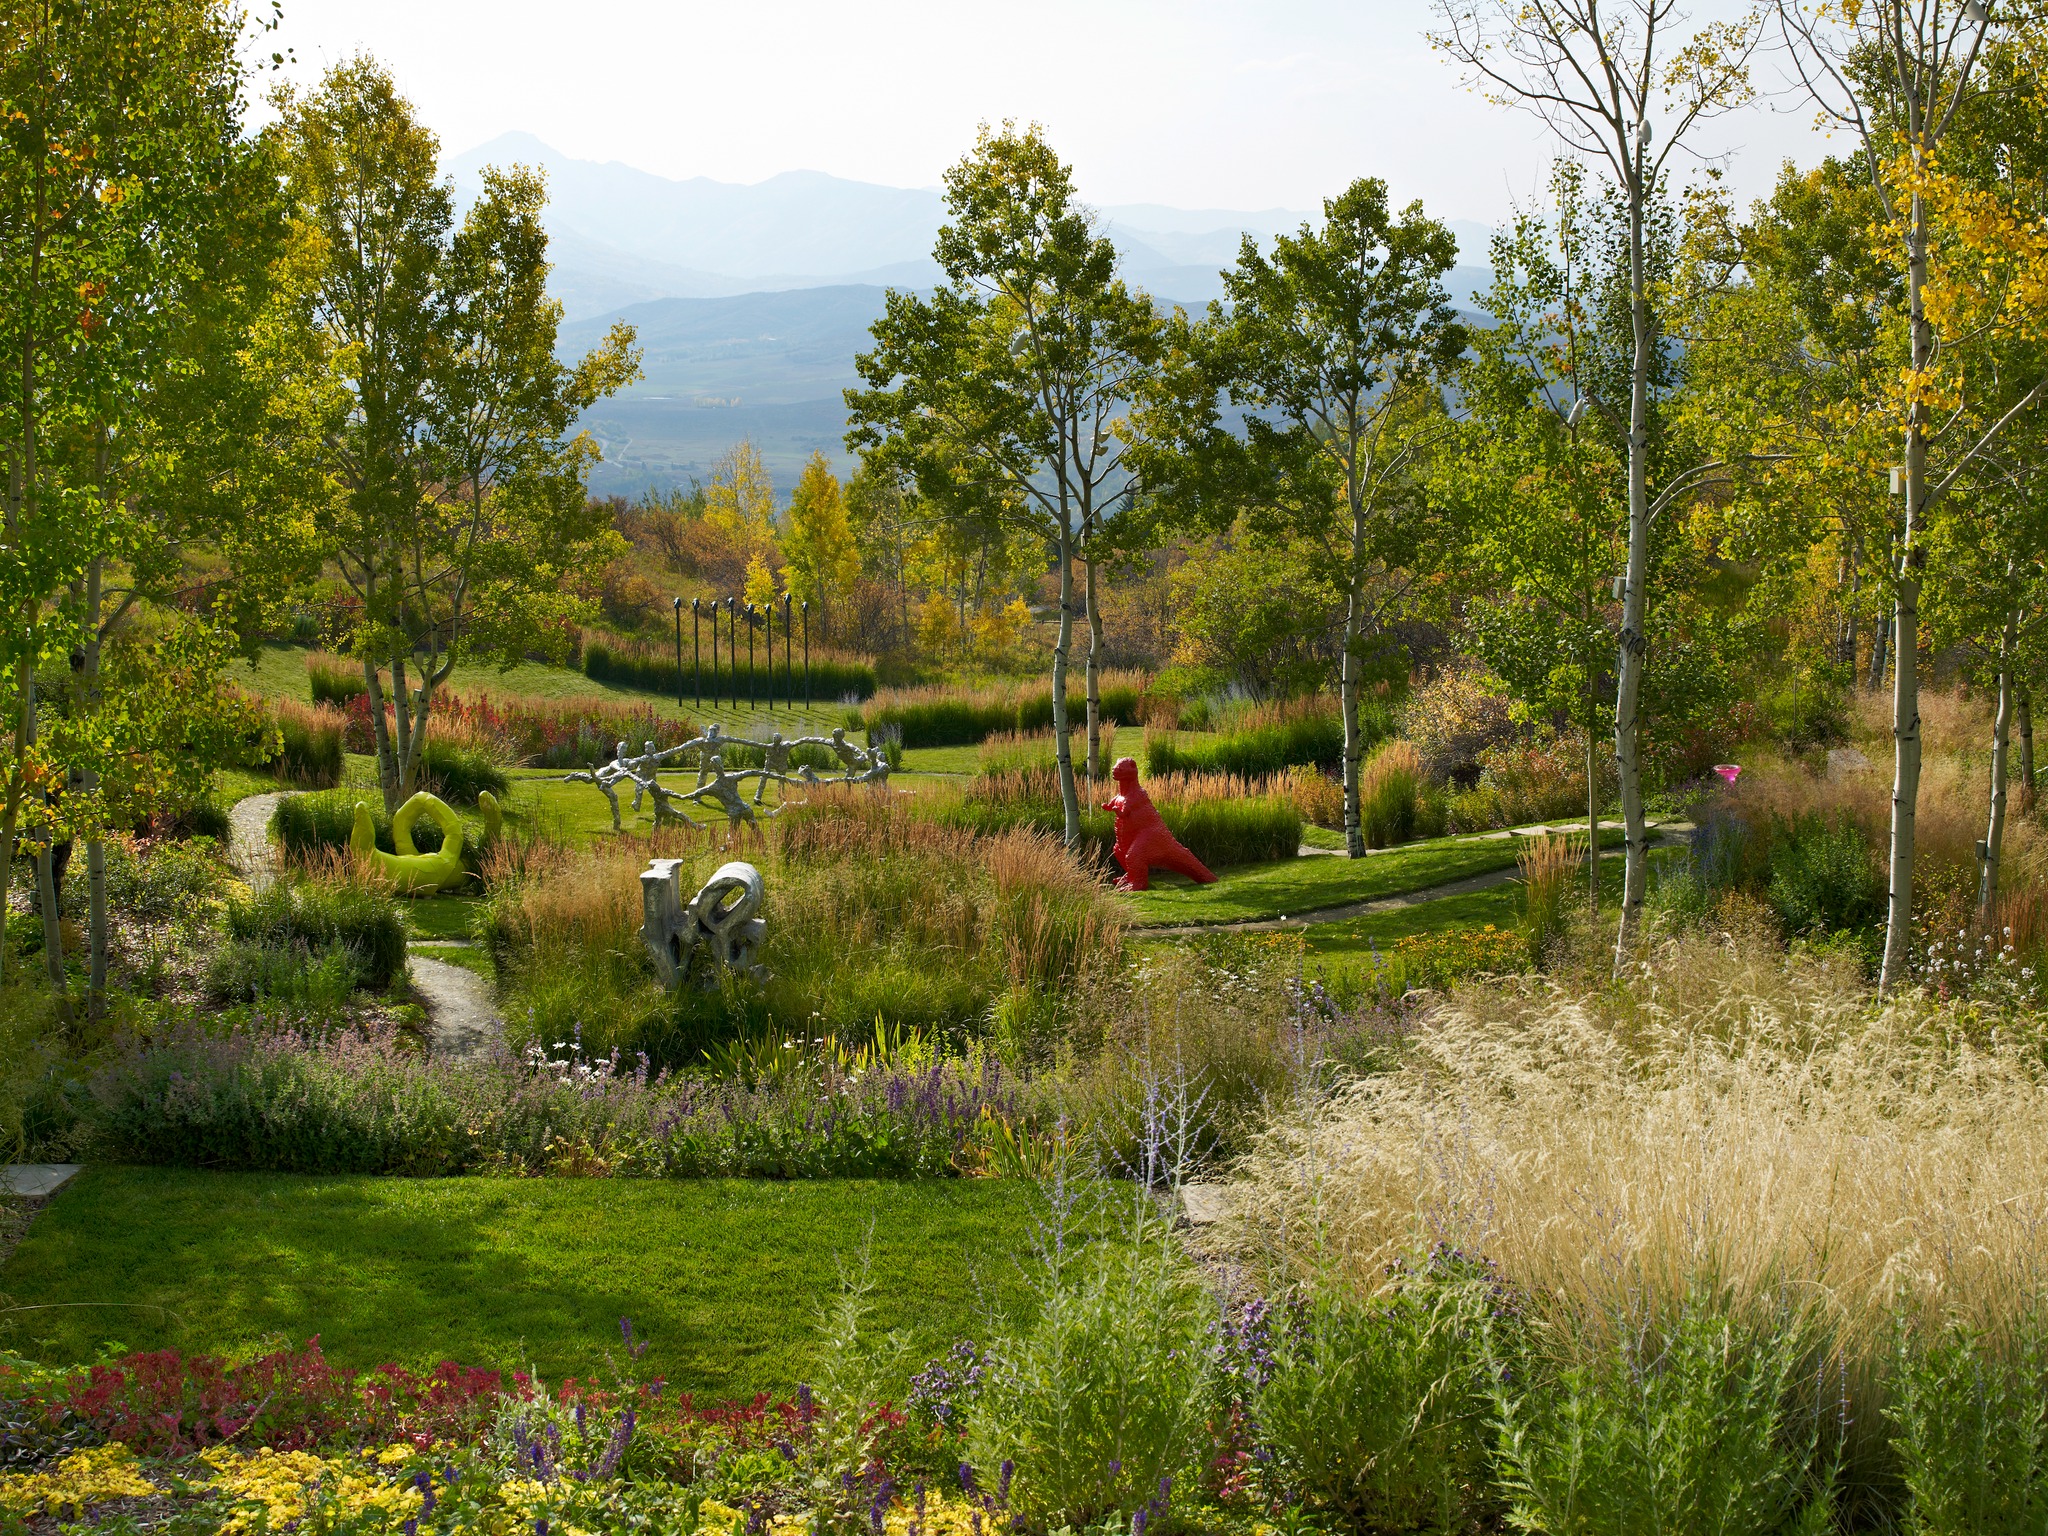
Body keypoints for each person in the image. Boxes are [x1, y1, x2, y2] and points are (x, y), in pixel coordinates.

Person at [1101, 756, 1216, 892]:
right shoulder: (1121, 796)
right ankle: (1131, 876)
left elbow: (1124, 812)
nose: (1115, 771)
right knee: (1119, 850)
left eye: (1120, 769)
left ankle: (1139, 884)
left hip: (1152, 834)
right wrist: (1109, 806)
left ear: (1133, 770)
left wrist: (1116, 810)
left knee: (1134, 855)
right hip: (1137, 834)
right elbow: (1117, 803)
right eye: (1116, 768)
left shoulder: (1138, 794)